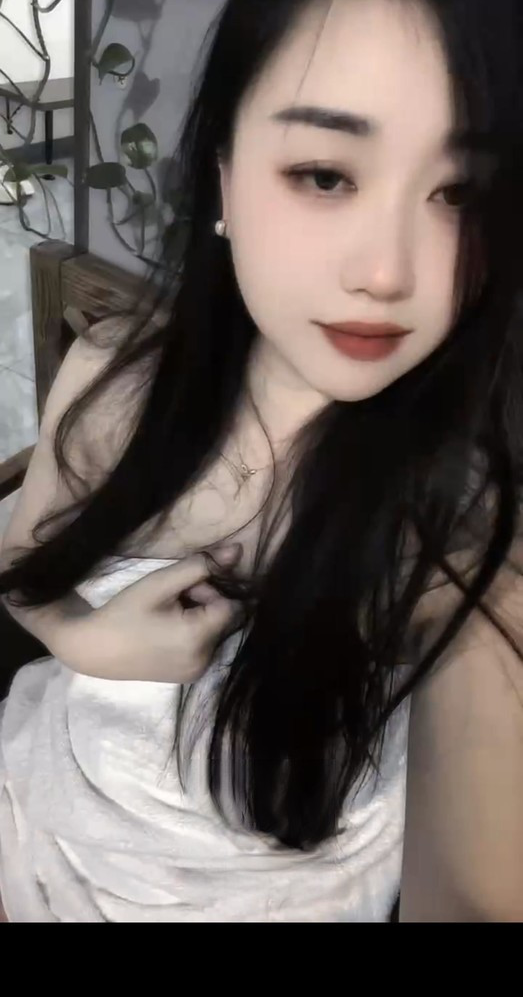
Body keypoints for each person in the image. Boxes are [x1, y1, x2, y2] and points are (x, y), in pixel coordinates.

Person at [0, 0, 522, 923]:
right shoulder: (113, 386)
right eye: (324, 174)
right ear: (223, 180)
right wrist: (87, 641)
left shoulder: (465, 526)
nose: (386, 273)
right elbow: (22, 564)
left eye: (458, 194)